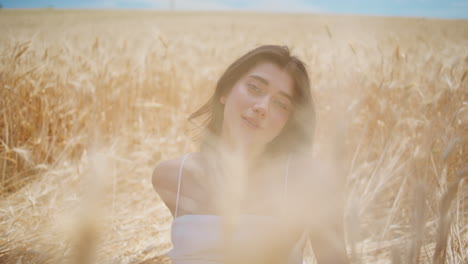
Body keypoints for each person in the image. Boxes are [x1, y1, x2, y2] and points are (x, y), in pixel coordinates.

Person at [152, 45, 349, 264]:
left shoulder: (310, 181)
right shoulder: (172, 177)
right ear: (225, 91)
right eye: (254, 88)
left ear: (288, 122)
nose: (262, 107)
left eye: (280, 104)